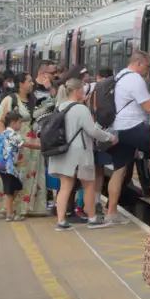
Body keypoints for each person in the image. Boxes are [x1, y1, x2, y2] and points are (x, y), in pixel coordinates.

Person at [49, 77, 117, 231]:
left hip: (63, 150)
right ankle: (92, 218)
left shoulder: (59, 106)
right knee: (88, 185)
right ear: (78, 91)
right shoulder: (81, 109)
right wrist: (110, 137)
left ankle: (61, 221)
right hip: (80, 152)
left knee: (65, 186)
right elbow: (92, 130)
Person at [104, 51, 150, 223]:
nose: (148, 71)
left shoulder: (120, 75)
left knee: (119, 169)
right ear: (139, 63)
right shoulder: (135, 79)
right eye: (147, 67)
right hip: (133, 127)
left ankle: (111, 212)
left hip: (118, 128)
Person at [0, 73, 46, 222]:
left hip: (31, 145)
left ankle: (24, 207)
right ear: (21, 83)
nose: (31, 84)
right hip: (15, 147)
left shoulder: (33, 100)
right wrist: (6, 137)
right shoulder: (10, 99)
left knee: (27, 176)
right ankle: (10, 209)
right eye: (29, 81)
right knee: (13, 178)